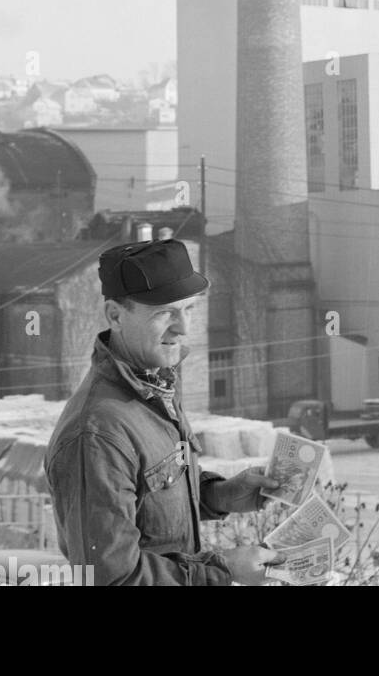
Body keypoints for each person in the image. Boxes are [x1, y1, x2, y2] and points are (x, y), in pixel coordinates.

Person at [46, 238, 281, 585]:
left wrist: (220, 495)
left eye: (189, 310)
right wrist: (222, 571)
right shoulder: (97, 434)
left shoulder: (152, 385)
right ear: (115, 315)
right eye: (165, 313)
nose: (183, 328)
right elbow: (112, 579)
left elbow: (147, 503)